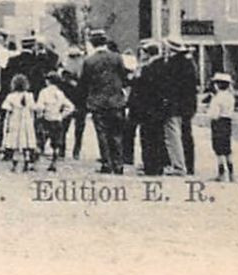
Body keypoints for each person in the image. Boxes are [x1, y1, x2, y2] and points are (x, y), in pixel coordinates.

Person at [79, 30, 130, 174]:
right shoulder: (117, 58)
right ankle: (119, 164)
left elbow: (84, 82)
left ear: (93, 44)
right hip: (116, 101)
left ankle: (106, 163)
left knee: (102, 134)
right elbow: (124, 78)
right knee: (117, 134)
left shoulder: (89, 61)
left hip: (97, 102)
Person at [128, 42, 171, 177]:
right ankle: (159, 165)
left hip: (147, 109)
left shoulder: (148, 69)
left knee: (147, 138)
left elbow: (140, 87)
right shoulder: (164, 66)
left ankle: (150, 166)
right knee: (159, 137)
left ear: (147, 53)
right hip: (159, 108)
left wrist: (135, 77)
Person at [164, 40, 198, 175]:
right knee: (187, 136)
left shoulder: (173, 64)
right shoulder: (189, 63)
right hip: (188, 106)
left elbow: (169, 86)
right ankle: (189, 166)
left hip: (175, 106)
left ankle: (178, 166)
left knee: (173, 135)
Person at [34, 70, 75, 172]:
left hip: (46, 119)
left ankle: (35, 164)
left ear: (48, 81)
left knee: (40, 142)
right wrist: (62, 115)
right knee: (56, 143)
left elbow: (40, 106)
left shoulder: (44, 92)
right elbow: (70, 106)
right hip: (56, 120)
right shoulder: (60, 93)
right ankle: (54, 163)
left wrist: (39, 115)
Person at [1, 73, 38, 172]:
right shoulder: (29, 96)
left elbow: (7, 110)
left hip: (15, 120)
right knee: (26, 142)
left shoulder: (11, 96)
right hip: (26, 120)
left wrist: (7, 124)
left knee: (15, 144)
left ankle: (14, 165)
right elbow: (33, 108)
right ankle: (26, 161)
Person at [206, 71, 236, 181]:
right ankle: (231, 173)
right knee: (227, 148)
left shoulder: (217, 98)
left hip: (218, 123)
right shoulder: (230, 97)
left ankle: (221, 173)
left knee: (218, 148)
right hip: (228, 122)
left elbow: (214, 114)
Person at [61, 44, 88, 159]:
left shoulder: (65, 74)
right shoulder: (82, 72)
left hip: (74, 102)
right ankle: (74, 150)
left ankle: (65, 150)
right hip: (79, 102)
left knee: (67, 127)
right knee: (76, 128)